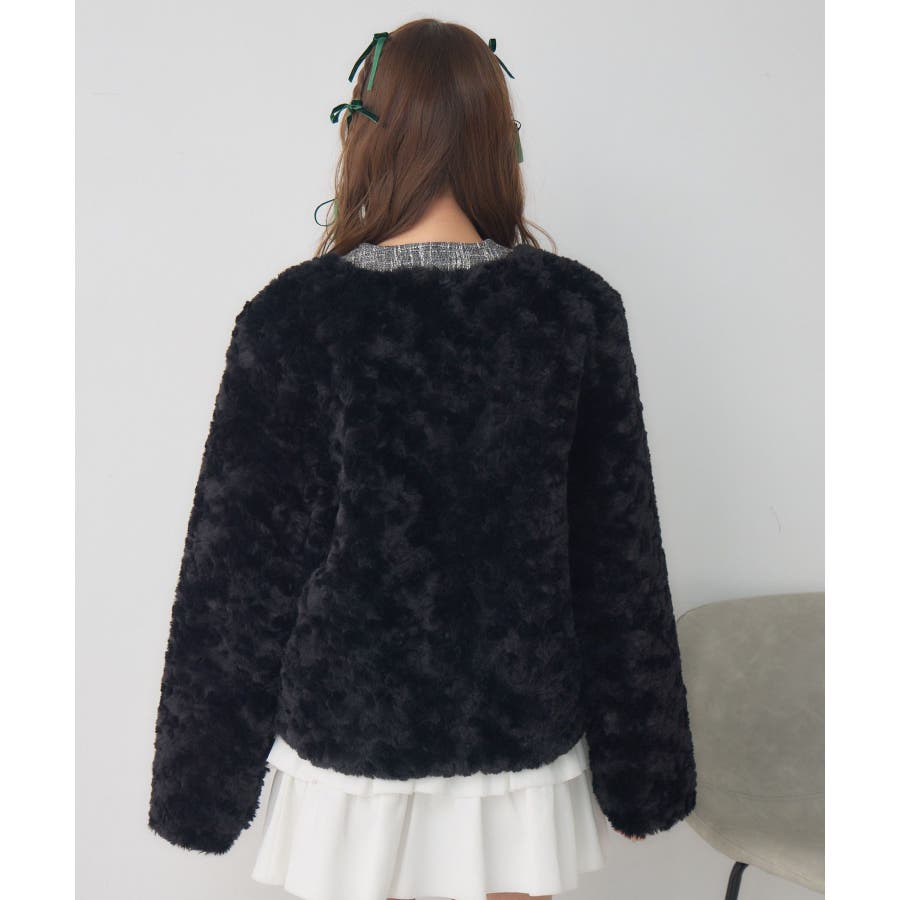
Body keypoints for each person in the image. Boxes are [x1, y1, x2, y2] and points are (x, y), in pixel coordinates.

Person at [148, 17, 697, 900]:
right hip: (517, 743)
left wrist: (199, 787)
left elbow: (237, 572)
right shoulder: (573, 311)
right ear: (496, 136)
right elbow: (617, 558)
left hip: (351, 741)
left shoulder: (295, 315)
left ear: (365, 134)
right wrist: (647, 769)